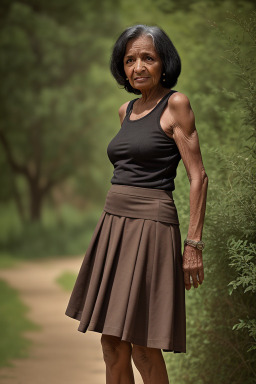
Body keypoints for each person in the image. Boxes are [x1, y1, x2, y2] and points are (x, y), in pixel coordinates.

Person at [65, 24, 208, 384]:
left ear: (164, 63)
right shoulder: (125, 110)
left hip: (152, 225)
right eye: (130, 60)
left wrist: (192, 244)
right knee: (111, 342)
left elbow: (198, 177)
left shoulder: (176, 104)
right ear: (122, 67)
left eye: (148, 57)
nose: (138, 67)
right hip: (114, 223)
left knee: (144, 346)